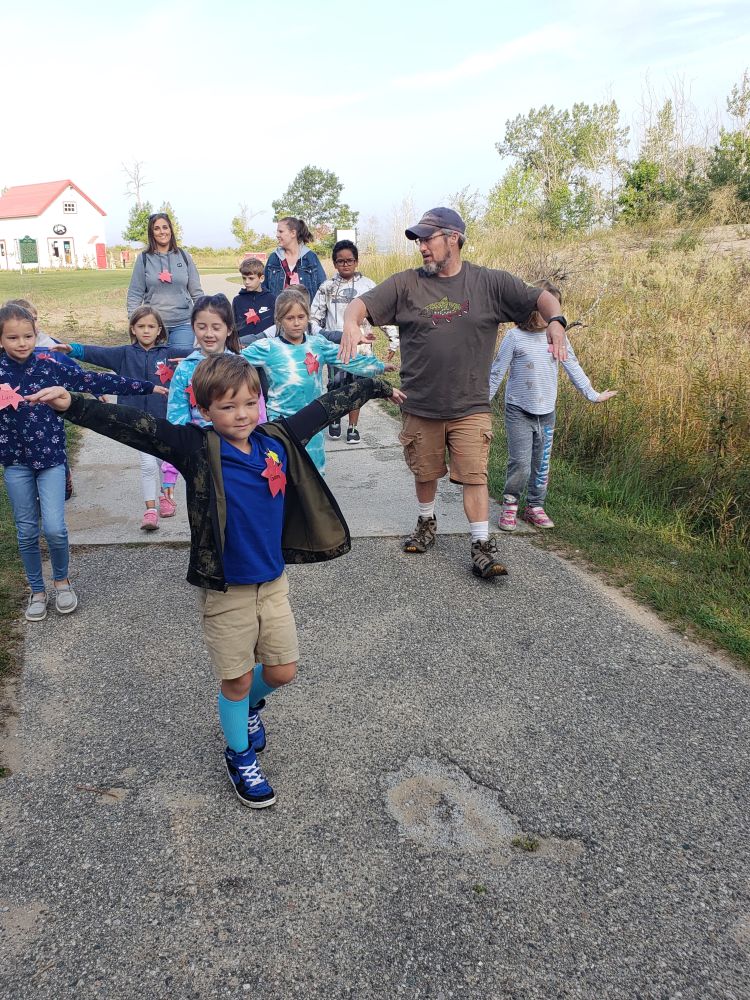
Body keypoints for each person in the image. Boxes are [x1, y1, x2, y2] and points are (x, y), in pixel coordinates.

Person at [29, 357, 405, 807]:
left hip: (273, 584)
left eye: (250, 402)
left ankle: (248, 711)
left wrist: (375, 388)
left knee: (283, 671)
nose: (242, 414)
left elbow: (324, 408)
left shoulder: (276, 439)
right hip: (226, 590)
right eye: (228, 407)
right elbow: (136, 426)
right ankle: (239, 754)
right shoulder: (195, 447)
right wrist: (73, 405)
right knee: (237, 680)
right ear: (205, 410)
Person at [338, 206, 571, 580]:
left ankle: (481, 546)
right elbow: (361, 304)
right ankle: (427, 522)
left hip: (470, 405)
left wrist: (557, 321)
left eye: (427, 239)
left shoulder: (489, 283)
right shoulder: (406, 285)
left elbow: (540, 297)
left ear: (453, 238)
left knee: (474, 474)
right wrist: (351, 321)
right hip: (421, 403)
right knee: (425, 469)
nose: (422, 248)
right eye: (418, 241)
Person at [0, 303, 162, 621]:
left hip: (51, 461)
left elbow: (91, 381)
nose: (22, 343)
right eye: (13, 338)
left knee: (57, 529)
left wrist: (147, 386)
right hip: (15, 463)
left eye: (28, 336)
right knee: (27, 531)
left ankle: (62, 583)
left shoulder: (48, 363)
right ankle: (37, 590)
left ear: (36, 334)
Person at [51, 306, 193, 531]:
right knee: (147, 463)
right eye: (141, 326)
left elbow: (200, 355)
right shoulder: (124, 354)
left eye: (151, 326)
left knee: (163, 460)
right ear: (132, 329)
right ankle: (151, 511)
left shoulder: (170, 354)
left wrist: (226, 350)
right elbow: (96, 353)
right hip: (135, 420)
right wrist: (73, 349)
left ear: (159, 330)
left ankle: (165, 495)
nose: (146, 331)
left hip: (165, 419)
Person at [489, 281, 617, 531]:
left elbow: (573, 366)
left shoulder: (558, 337)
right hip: (519, 411)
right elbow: (496, 373)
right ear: (532, 307)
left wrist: (592, 394)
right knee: (521, 463)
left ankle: (535, 506)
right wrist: (480, 405)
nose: (550, 316)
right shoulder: (515, 337)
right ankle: (510, 504)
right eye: (545, 309)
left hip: (547, 412)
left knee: (541, 463)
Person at [240, 288, 387, 474]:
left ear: (308, 317)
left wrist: (379, 366)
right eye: (289, 318)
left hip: (313, 421)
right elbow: (234, 361)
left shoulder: (318, 344)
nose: (296, 323)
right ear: (278, 319)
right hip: (281, 424)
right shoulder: (268, 347)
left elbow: (346, 358)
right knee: (283, 473)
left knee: (315, 473)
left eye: (301, 317)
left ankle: (315, 502)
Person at [311, 239, 400, 444]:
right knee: (336, 385)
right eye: (340, 261)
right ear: (334, 263)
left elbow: (381, 313)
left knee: (358, 388)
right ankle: (334, 420)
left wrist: (393, 339)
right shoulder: (327, 287)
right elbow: (313, 319)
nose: (345, 264)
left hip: (362, 350)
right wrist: (324, 336)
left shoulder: (368, 285)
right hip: (337, 349)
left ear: (356, 261)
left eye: (349, 260)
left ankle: (353, 427)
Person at [126, 212, 203, 348]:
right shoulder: (143, 258)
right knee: (156, 366)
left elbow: (197, 292)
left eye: (165, 227)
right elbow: (135, 293)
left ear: (170, 230)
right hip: (153, 325)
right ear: (151, 232)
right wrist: (134, 321)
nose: (162, 232)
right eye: (157, 228)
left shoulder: (184, 256)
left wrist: (202, 319)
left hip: (183, 323)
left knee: (179, 363)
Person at [264, 217, 326, 301]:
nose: (277, 235)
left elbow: (322, 289)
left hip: (306, 313)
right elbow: (264, 289)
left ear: (293, 233)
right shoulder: (273, 258)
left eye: (281, 231)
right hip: (278, 313)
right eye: (277, 231)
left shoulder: (311, 257)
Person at [232, 257, 276, 338]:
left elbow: (276, 326)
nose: (247, 282)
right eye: (244, 278)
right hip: (244, 346)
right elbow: (233, 326)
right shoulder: (237, 300)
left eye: (251, 278)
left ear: (261, 278)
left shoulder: (272, 299)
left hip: (267, 345)